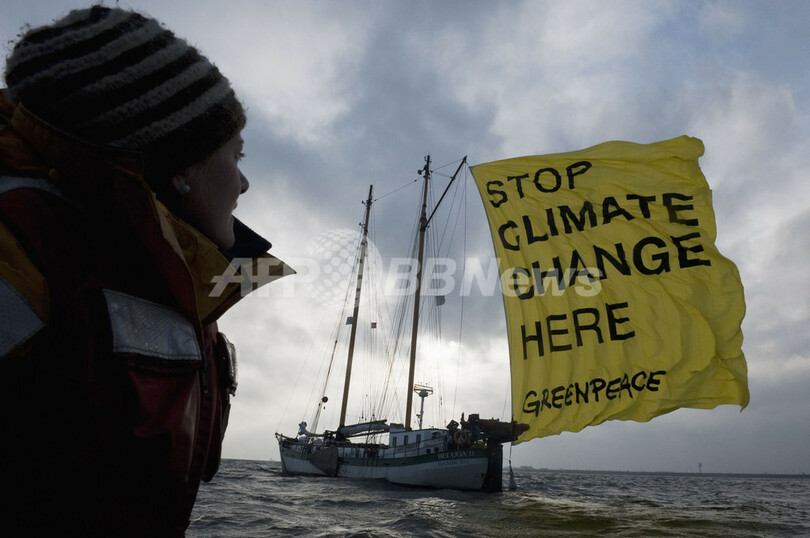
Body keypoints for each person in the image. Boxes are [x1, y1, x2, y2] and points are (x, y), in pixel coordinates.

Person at [0, 6, 289, 536]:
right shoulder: (18, 251)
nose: (244, 185)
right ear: (179, 165)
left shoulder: (170, 266)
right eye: (235, 155)